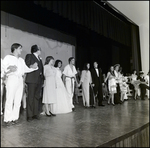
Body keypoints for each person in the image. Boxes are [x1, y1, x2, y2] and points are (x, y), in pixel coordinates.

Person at [2, 43, 38, 126]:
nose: (21, 50)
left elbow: (26, 69)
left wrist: (33, 67)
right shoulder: (8, 58)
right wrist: (9, 68)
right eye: (20, 48)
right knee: (10, 99)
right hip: (12, 79)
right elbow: (4, 68)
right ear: (15, 49)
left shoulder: (21, 60)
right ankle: (7, 119)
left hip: (20, 80)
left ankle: (15, 118)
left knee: (18, 100)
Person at [25, 45, 44, 122]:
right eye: (40, 49)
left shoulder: (40, 58)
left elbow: (41, 70)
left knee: (37, 97)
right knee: (30, 98)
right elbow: (26, 65)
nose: (41, 51)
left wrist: (43, 80)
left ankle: (35, 113)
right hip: (32, 80)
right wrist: (32, 66)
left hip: (39, 80)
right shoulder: (29, 56)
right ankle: (29, 115)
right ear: (36, 50)